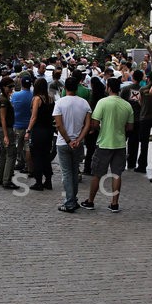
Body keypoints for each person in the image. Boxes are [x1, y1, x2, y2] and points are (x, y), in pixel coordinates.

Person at [80, 78, 134, 213]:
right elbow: (130, 127)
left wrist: (101, 128)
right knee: (117, 174)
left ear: (108, 87)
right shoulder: (127, 105)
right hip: (120, 144)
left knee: (97, 174)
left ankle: (90, 201)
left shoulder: (102, 102)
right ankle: (114, 203)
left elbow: (94, 123)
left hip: (104, 143)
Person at [53, 77, 92, 212]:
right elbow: (87, 125)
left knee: (67, 173)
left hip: (63, 142)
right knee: (75, 171)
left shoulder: (59, 103)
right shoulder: (84, 103)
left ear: (65, 88)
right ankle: (73, 199)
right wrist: (79, 139)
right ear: (77, 87)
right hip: (78, 143)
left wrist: (68, 140)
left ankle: (69, 202)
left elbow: (58, 124)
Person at [24, 78, 55, 190]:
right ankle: (48, 180)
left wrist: (28, 130)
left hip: (38, 130)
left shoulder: (37, 99)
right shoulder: (51, 98)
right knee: (46, 155)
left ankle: (38, 181)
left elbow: (34, 117)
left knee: (37, 156)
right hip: (48, 130)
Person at [0, 76, 19, 189]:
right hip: (5, 129)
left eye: (12, 86)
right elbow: (3, 118)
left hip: (3, 129)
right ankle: (7, 180)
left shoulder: (4, 98)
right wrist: (5, 135)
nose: (11, 89)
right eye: (9, 87)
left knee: (4, 153)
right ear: (3, 87)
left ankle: (0, 177)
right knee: (11, 154)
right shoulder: (3, 100)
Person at [11, 74, 34, 173]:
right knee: (27, 147)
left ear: (21, 83)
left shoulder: (15, 95)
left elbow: (12, 107)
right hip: (29, 125)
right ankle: (29, 167)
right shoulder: (34, 96)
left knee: (17, 146)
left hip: (17, 124)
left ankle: (19, 163)